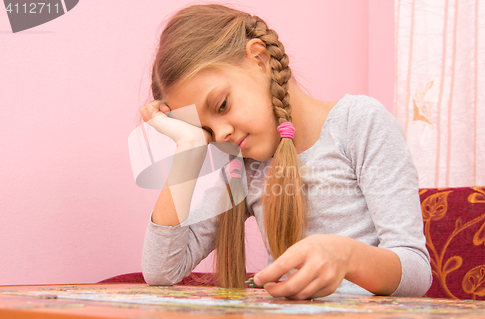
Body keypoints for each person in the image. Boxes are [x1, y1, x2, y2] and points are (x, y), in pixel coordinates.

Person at [139, 3, 432, 300]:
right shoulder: (244, 166)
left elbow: (416, 272)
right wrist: (188, 148)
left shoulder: (358, 123)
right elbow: (162, 269)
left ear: (260, 58)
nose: (222, 134)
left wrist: (346, 257)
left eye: (222, 105)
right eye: (207, 131)